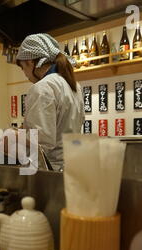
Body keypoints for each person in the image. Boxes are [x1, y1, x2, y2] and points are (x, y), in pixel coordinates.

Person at [15, 33, 85, 171]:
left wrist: (15, 138)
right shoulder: (74, 86)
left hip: (48, 172)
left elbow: (41, 143)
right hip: (72, 167)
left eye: (23, 67)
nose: (25, 73)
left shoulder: (42, 88)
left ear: (30, 62)